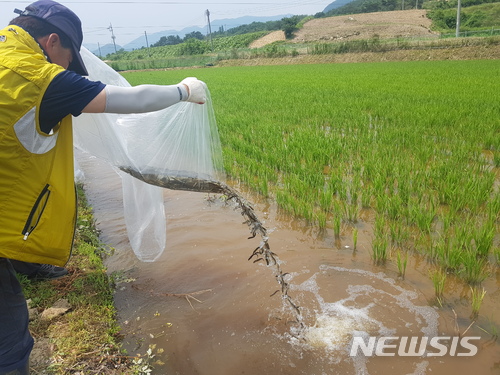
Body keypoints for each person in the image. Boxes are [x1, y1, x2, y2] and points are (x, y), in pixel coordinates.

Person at [0, 1, 207, 373]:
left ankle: (24, 262)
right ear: (50, 41)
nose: (64, 67)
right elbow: (130, 100)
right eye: (66, 57)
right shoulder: (38, 76)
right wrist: (183, 90)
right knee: (11, 337)